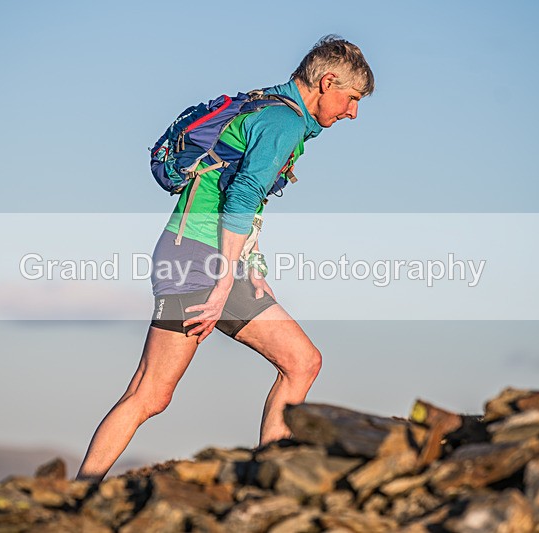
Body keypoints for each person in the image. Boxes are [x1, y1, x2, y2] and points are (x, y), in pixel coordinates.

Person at [76, 35, 374, 483]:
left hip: (209, 259)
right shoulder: (283, 122)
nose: (352, 112)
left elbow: (239, 194)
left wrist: (251, 269)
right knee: (150, 394)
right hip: (197, 261)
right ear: (327, 81)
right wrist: (222, 283)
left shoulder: (271, 110)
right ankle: (81, 492)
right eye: (350, 99)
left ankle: (268, 481)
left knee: (302, 362)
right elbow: (241, 197)